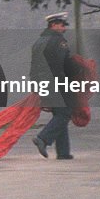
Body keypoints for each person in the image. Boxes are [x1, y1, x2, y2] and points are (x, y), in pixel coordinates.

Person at [30, 12, 75, 160]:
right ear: (53, 25)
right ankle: (43, 138)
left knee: (59, 114)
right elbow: (63, 64)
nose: (64, 28)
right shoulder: (58, 41)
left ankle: (63, 152)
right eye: (62, 25)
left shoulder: (38, 42)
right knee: (64, 114)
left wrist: (36, 88)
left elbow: (34, 68)